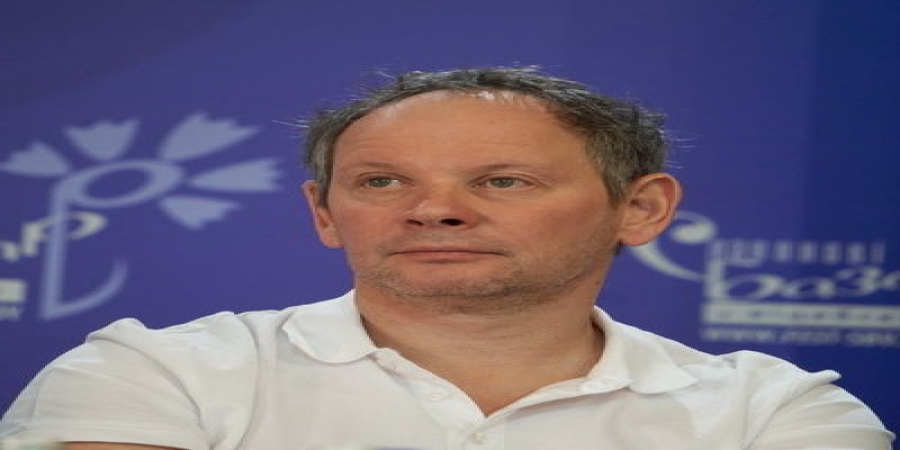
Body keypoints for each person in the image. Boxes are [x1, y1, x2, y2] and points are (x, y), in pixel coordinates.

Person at [1, 68, 893, 450]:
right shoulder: (153, 375)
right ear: (323, 212)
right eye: (382, 181)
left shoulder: (775, 414)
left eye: (502, 181)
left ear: (641, 208)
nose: (434, 210)